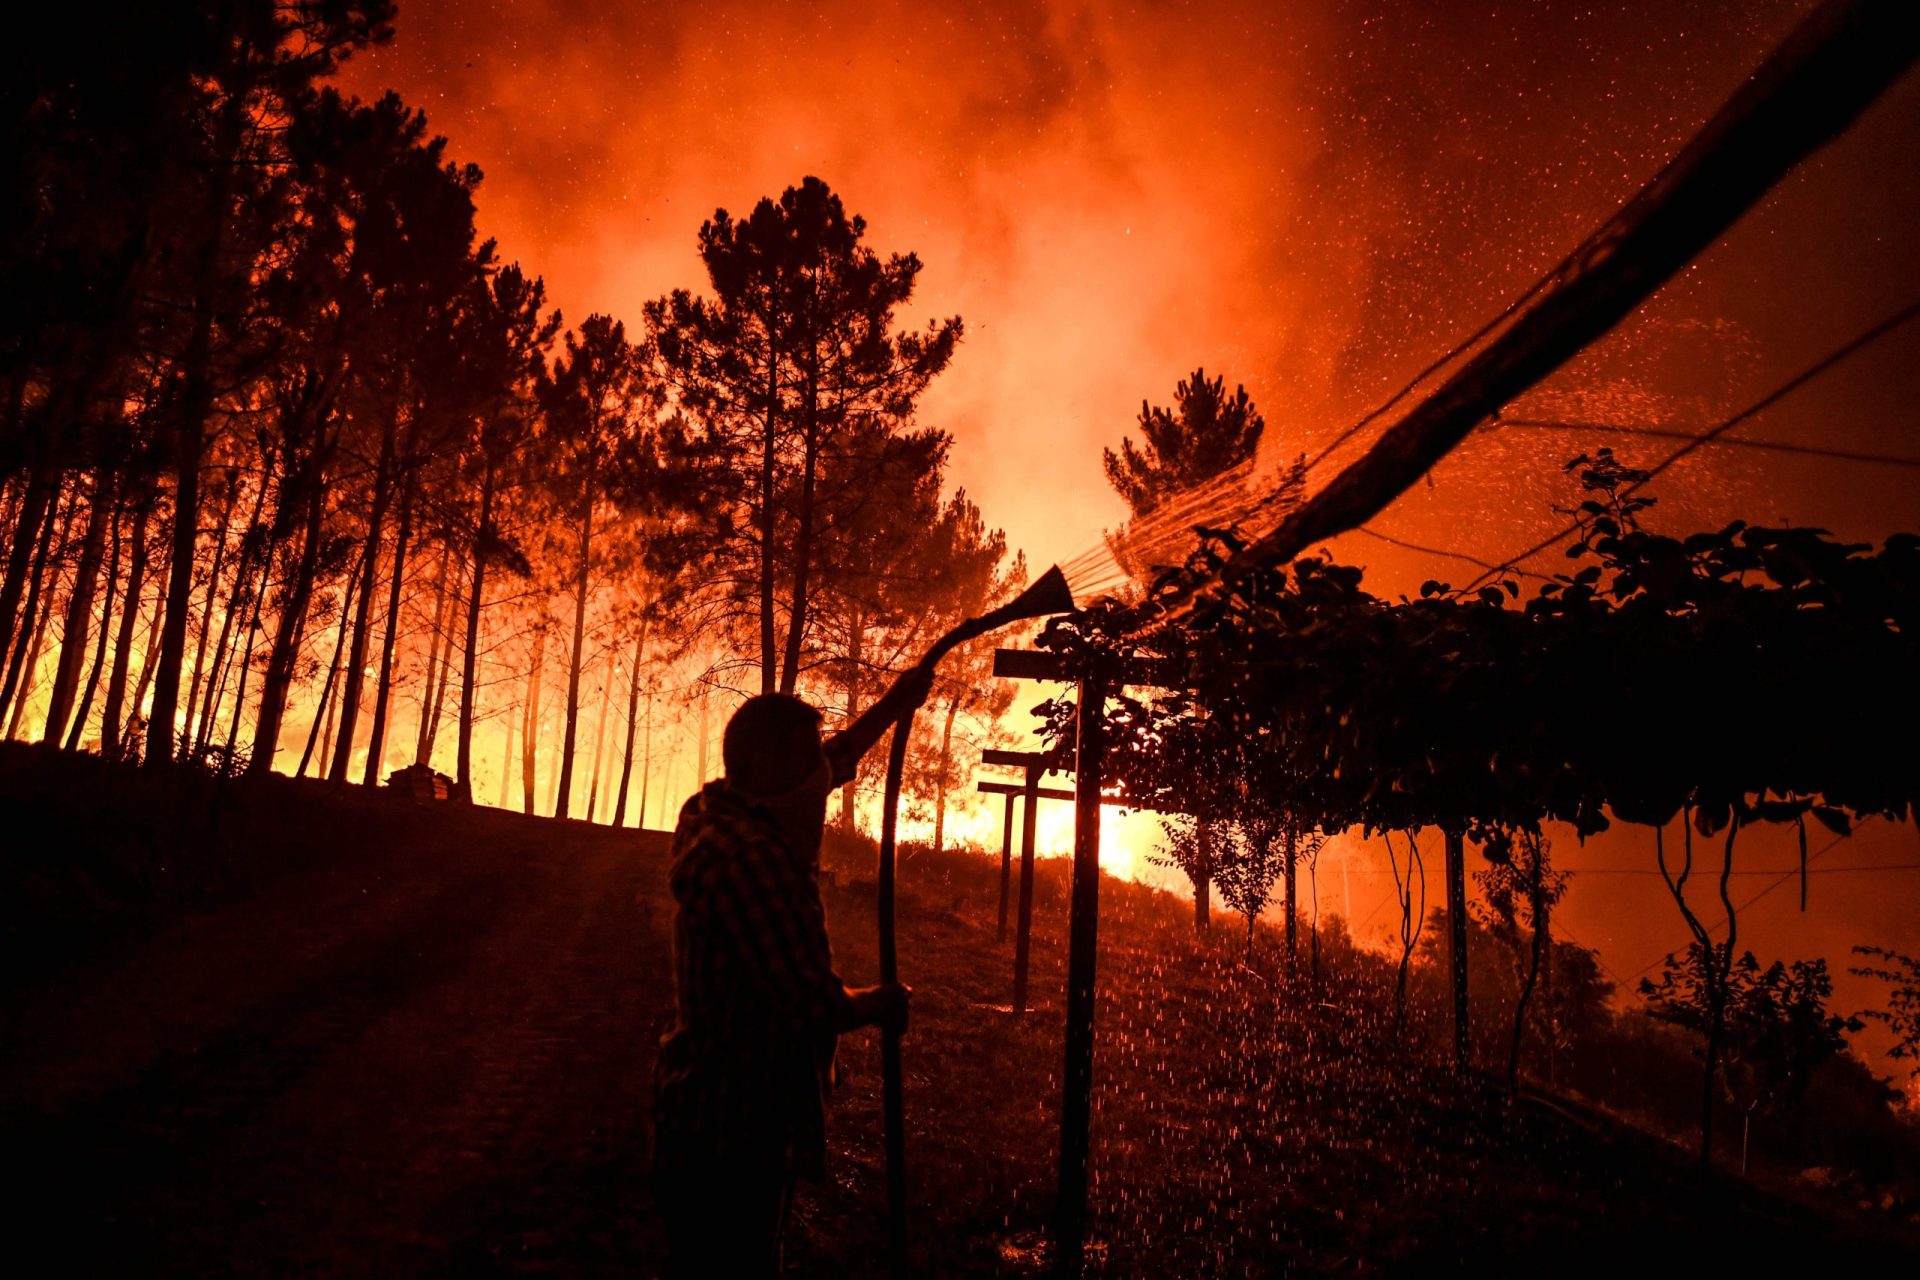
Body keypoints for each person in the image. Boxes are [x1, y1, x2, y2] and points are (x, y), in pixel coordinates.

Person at [651, 664, 934, 1278]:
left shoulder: (720, 810)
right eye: (808, 763)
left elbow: (838, 755)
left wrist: (896, 700)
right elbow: (812, 1006)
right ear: (769, 771)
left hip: (699, 1114)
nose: (822, 776)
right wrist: (878, 1002)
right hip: (734, 1126)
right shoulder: (753, 864)